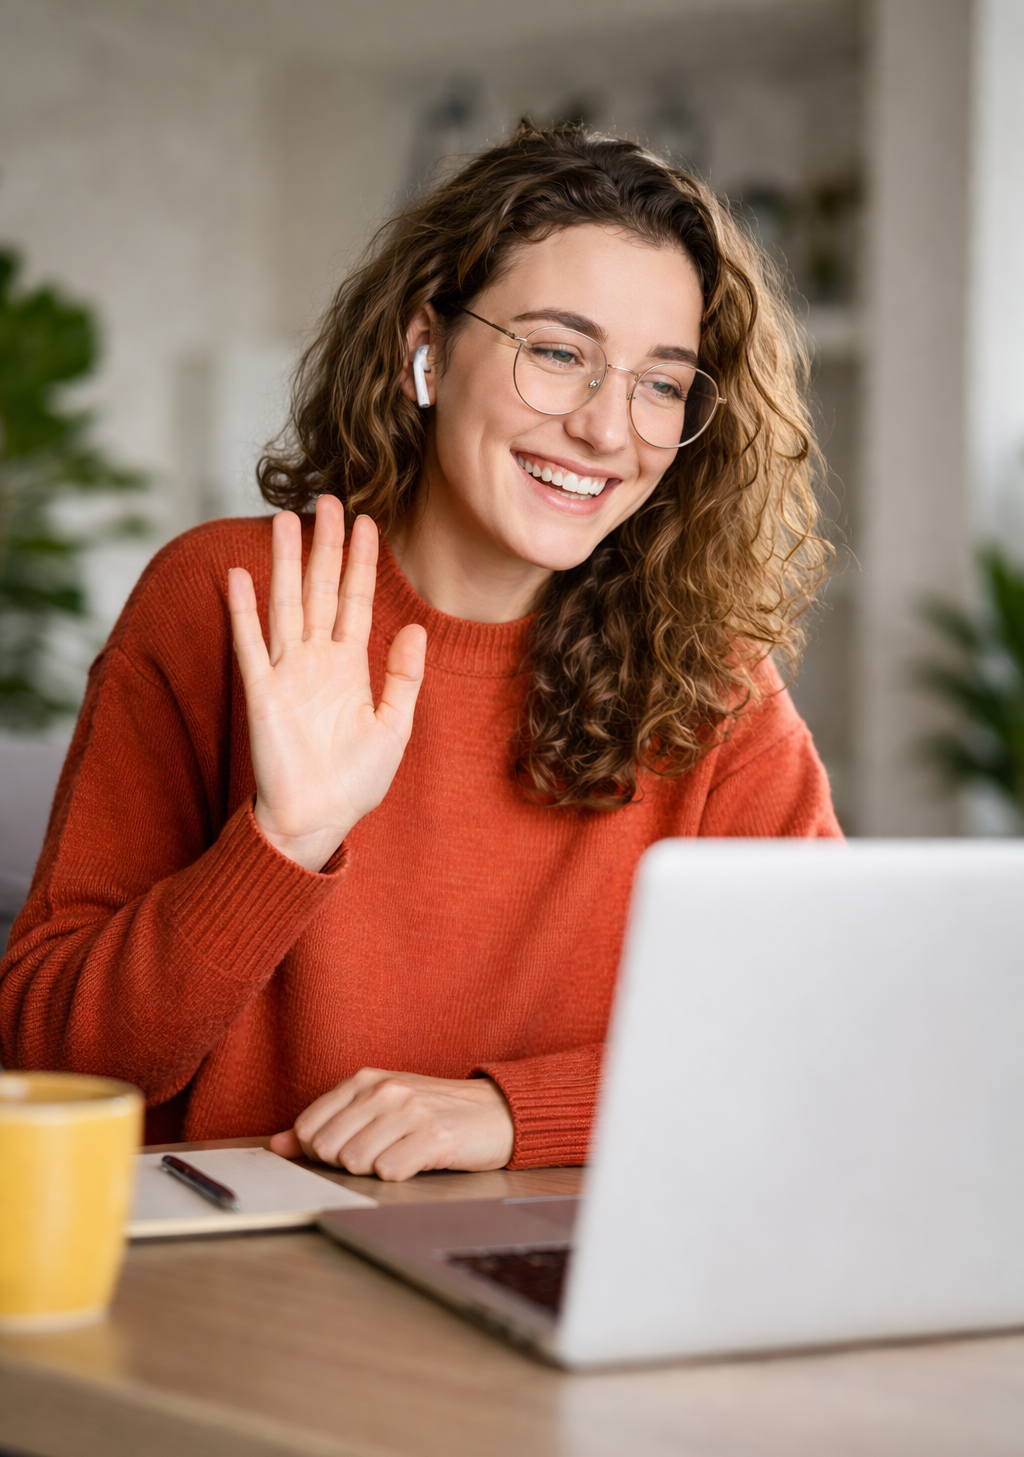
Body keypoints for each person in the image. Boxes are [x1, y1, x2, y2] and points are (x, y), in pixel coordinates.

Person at [0, 124, 840, 1180]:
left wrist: (511, 1113)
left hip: (563, 1265)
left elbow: (826, 1038)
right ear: (426, 352)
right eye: (557, 353)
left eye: (661, 384)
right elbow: (47, 1059)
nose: (606, 429)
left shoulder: (707, 675)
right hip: (243, 1276)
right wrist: (283, 839)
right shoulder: (226, 601)